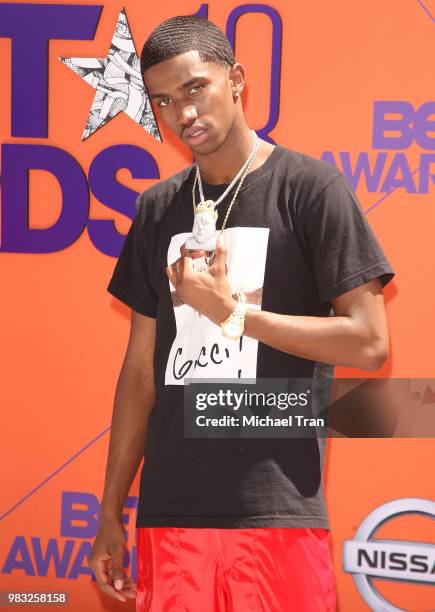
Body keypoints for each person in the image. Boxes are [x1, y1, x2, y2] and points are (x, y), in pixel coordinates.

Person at [89, 15, 395, 611]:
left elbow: (369, 343)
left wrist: (235, 316)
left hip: (274, 509)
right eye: (164, 100)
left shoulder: (311, 189)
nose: (183, 114)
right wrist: (110, 511)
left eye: (195, 88)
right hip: (171, 516)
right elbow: (139, 375)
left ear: (237, 80)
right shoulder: (157, 210)